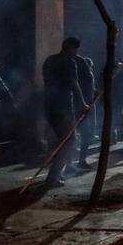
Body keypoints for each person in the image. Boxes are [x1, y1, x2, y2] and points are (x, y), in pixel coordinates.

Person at [42, 38, 88, 187]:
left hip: (49, 104)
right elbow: (74, 84)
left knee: (59, 139)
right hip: (63, 106)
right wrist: (82, 103)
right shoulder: (69, 63)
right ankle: (53, 175)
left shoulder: (49, 60)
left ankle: (58, 171)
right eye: (75, 50)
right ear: (70, 48)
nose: (76, 53)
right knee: (69, 140)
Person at [75, 55, 96, 169]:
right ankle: (80, 160)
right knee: (84, 134)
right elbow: (88, 92)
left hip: (80, 107)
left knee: (79, 135)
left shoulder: (82, 76)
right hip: (83, 108)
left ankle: (75, 161)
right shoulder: (86, 76)